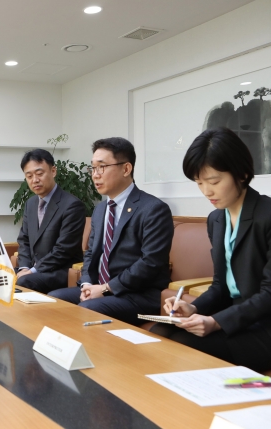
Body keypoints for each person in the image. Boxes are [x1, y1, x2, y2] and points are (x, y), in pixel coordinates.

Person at [152, 128, 271, 372]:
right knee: (162, 330)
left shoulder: (266, 215)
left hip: (264, 325)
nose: (207, 191)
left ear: (242, 173)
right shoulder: (216, 220)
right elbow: (220, 286)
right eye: (199, 183)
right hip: (236, 316)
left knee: (182, 345)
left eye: (214, 181)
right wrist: (193, 308)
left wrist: (217, 321)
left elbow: (269, 294)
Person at [49, 137, 173, 325]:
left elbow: (150, 263)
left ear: (126, 169)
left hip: (137, 294)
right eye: (93, 168)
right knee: (54, 299)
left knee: (88, 310)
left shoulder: (153, 209)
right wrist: (87, 284)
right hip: (100, 287)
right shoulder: (101, 209)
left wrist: (107, 288)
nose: (95, 175)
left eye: (102, 167)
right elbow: (90, 253)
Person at [15, 149, 86, 293]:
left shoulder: (72, 205)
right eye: (29, 176)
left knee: (23, 281)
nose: (34, 180)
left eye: (39, 174)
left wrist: (33, 271)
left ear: (53, 171)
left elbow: (63, 250)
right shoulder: (31, 203)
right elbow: (24, 241)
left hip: (60, 270)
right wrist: (24, 268)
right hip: (35, 270)